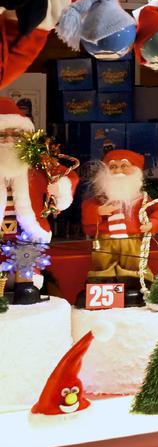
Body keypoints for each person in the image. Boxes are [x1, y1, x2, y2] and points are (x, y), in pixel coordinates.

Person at [0, 99, 78, 305]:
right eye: (2, 135)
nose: (8, 140)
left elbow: (65, 176)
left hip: (27, 229)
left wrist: (60, 187)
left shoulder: (38, 162)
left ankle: (24, 285)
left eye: (15, 134)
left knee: (26, 251)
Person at [82, 150, 158, 305]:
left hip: (132, 239)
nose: (118, 171)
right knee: (102, 260)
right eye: (113, 167)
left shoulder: (142, 199)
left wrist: (152, 224)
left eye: (124, 166)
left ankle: (132, 282)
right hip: (105, 240)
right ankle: (103, 283)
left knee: (133, 260)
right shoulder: (99, 198)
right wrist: (98, 212)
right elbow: (88, 212)